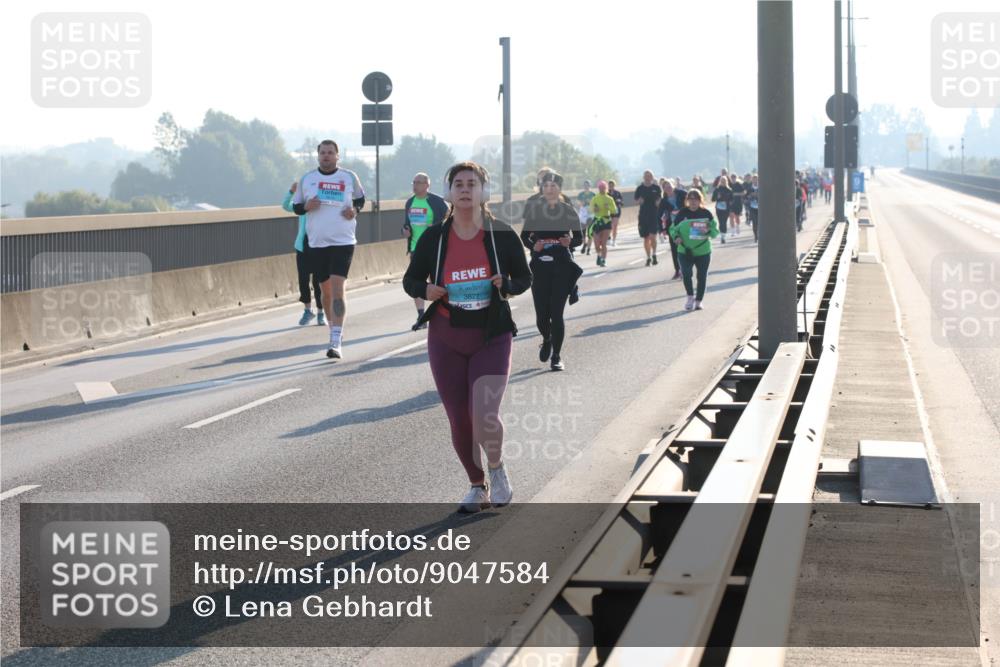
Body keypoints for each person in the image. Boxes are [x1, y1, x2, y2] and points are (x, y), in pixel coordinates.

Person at [402, 162, 531, 513]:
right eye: (457, 184)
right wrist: (425, 289)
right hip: (446, 336)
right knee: (459, 417)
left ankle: (497, 468)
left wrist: (509, 285)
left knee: (484, 413)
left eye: (471, 184)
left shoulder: (500, 234)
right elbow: (410, 280)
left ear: (483, 192)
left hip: (491, 335)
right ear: (448, 192)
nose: (464, 190)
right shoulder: (434, 237)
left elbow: (524, 277)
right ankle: (477, 486)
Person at [292, 139, 366, 359]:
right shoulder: (308, 179)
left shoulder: (349, 176)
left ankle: (335, 339)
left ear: (337, 156)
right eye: (323, 152)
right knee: (325, 293)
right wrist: (306, 206)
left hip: (343, 241)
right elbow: (296, 207)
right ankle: (334, 329)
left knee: (337, 288)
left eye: (330, 152)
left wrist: (354, 210)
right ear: (318, 155)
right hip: (317, 242)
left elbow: (361, 200)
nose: (326, 156)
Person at [521, 170, 582, 371]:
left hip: (562, 265)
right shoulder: (535, 210)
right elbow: (524, 236)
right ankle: (546, 338)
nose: (549, 189)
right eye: (546, 186)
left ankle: (556, 355)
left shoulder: (567, 210)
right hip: (540, 266)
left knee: (556, 314)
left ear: (559, 189)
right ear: (542, 188)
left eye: (553, 186)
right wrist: (533, 246)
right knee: (541, 316)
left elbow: (579, 239)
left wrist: (570, 241)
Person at [403, 172, 449, 330]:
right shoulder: (410, 202)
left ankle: (441, 311)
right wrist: (405, 231)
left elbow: (449, 219)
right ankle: (421, 315)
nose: (415, 185)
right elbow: (406, 223)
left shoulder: (437, 202)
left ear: (427, 185)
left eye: (419, 182)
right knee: (416, 280)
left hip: (435, 247)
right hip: (416, 248)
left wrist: (435, 227)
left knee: (436, 281)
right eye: (414, 182)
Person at [669, 188, 719, 311]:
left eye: (695, 199)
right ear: (687, 200)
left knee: (702, 276)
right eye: (690, 199)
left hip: (703, 251)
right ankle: (690, 297)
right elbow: (672, 229)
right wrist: (676, 237)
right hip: (684, 250)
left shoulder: (706, 213)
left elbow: (714, 232)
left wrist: (709, 231)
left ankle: (699, 301)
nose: (693, 201)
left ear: (700, 200)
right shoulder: (681, 213)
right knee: (686, 274)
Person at [283, 181, 324, 326]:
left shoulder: (322, 204)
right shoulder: (302, 206)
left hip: (319, 246)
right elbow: (286, 206)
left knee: (318, 282)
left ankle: (321, 312)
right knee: (303, 280)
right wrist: (291, 191)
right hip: (302, 246)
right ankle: (308, 310)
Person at [634, 170, 662, 267]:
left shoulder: (656, 188)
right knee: (646, 238)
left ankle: (654, 254)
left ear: (652, 177)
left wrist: (658, 203)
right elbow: (636, 201)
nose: (647, 177)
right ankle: (648, 257)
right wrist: (639, 201)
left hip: (653, 215)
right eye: (646, 176)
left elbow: (660, 199)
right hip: (643, 216)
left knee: (653, 237)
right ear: (643, 177)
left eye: (649, 176)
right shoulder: (640, 188)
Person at [660, 180, 685, 280]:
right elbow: (659, 215)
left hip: (684, 224)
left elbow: (693, 199)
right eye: (665, 187)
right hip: (672, 227)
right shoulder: (664, 201)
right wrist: (662, 229)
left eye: (669, 186)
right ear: (664, 190)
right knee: (674, 249)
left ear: (673, 186)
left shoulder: (682, 194)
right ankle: (678, 270)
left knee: (685, 247)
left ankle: (686, 268)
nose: (668, 189)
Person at [589, 180, 617, 267]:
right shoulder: (595, 198)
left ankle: (603, 260)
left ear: (606, 188)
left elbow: (615, 210)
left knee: (603, 243)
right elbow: (591, 209)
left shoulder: (609, 198)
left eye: (603, 187)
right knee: (597, 244)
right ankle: (599, 255)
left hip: (606, 221)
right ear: (598, 188)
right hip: (597, 221)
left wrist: (608, 207)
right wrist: (595, 209)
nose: (602, 189)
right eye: (600, 187)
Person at [710, 175, 732, 244]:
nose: (723, 182)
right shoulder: (717, 189)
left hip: (726, 208)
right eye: (722, 181)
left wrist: (728, 201)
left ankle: (723, 237)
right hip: (719, 208)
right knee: (720, 222)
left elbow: (732, 199)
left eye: (724, 181)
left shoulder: (729, 190)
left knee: (724, 222)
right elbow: (712, 199)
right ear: (720, 182)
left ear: (726, 182)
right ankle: (722, 235)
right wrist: (717, 197)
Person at [577, 181, 596, 255]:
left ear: (589, 186)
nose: (586, 186)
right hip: (583, 214)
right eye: (584, 185)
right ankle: (584, 244)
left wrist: (591, 203)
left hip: (590, 214)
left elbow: (595, 203)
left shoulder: (593, 194)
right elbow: (578, 203)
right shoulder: (581, 194)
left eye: (587, 185)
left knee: (590, 232)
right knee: (583, 232)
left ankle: (588, 249)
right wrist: (582, 203)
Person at [607, 179, 624, 247]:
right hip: (608, 212)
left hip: (616, 211)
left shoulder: (618, 193)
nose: (611, 186)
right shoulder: (606, 193)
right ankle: (609, 239)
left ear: (614, 185)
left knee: (615, 226)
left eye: (612, 185)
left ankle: (614, 241)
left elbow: (622, 203)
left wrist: (619, 201)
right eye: (610, 185)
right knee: (609, 226)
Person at [745, 173, 760, 243]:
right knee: (755, 223)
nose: (755, 181)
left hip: (760, 208)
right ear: (752, 180)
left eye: (756, 179)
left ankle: (759, 234)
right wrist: (750, 196)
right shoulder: (749, 189)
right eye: (754, 179)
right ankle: (756, 236)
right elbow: (745, 197)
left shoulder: (762, 187)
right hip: (752, 207)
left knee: (760, 223)